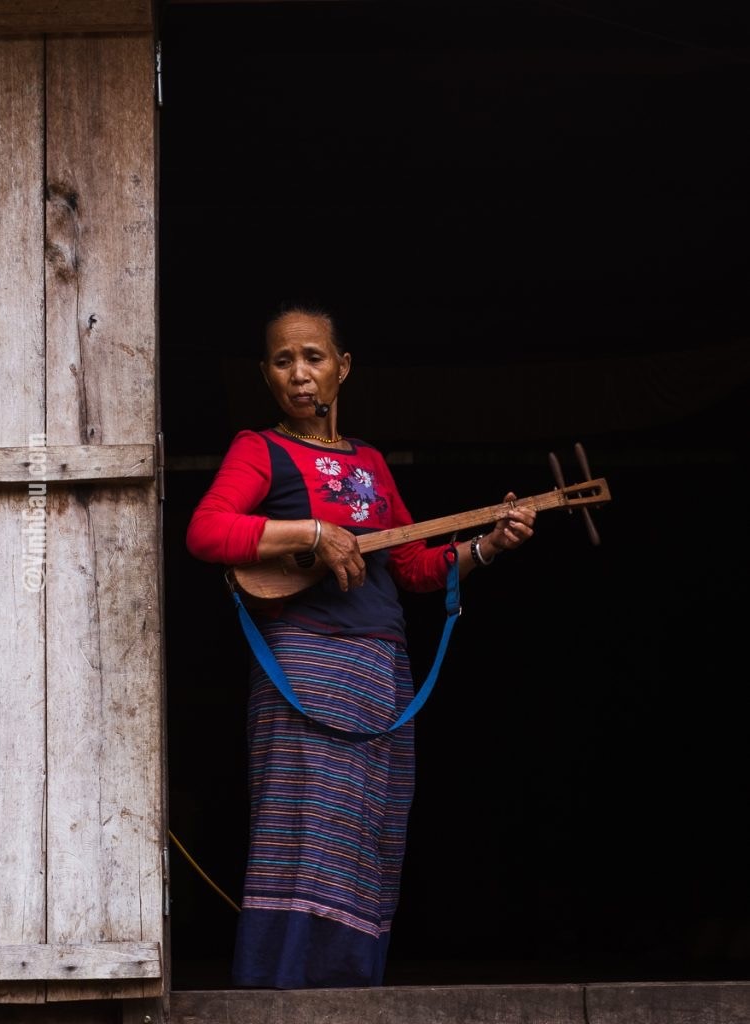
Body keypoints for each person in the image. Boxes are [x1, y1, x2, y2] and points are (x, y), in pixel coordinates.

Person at [185, 304, 536, 989]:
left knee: (369, 830)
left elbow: (411, 567)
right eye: (283, 361)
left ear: (342, 367)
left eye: (314, 357)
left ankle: (349, 988)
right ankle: (281, 989)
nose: (300, 374)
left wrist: (488, 545)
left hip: (381, 666)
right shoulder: (261, 449)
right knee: (306, 825)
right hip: (306, 662)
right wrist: (310, 535)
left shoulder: (370, 463)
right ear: (265, 374)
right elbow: (206, 532)